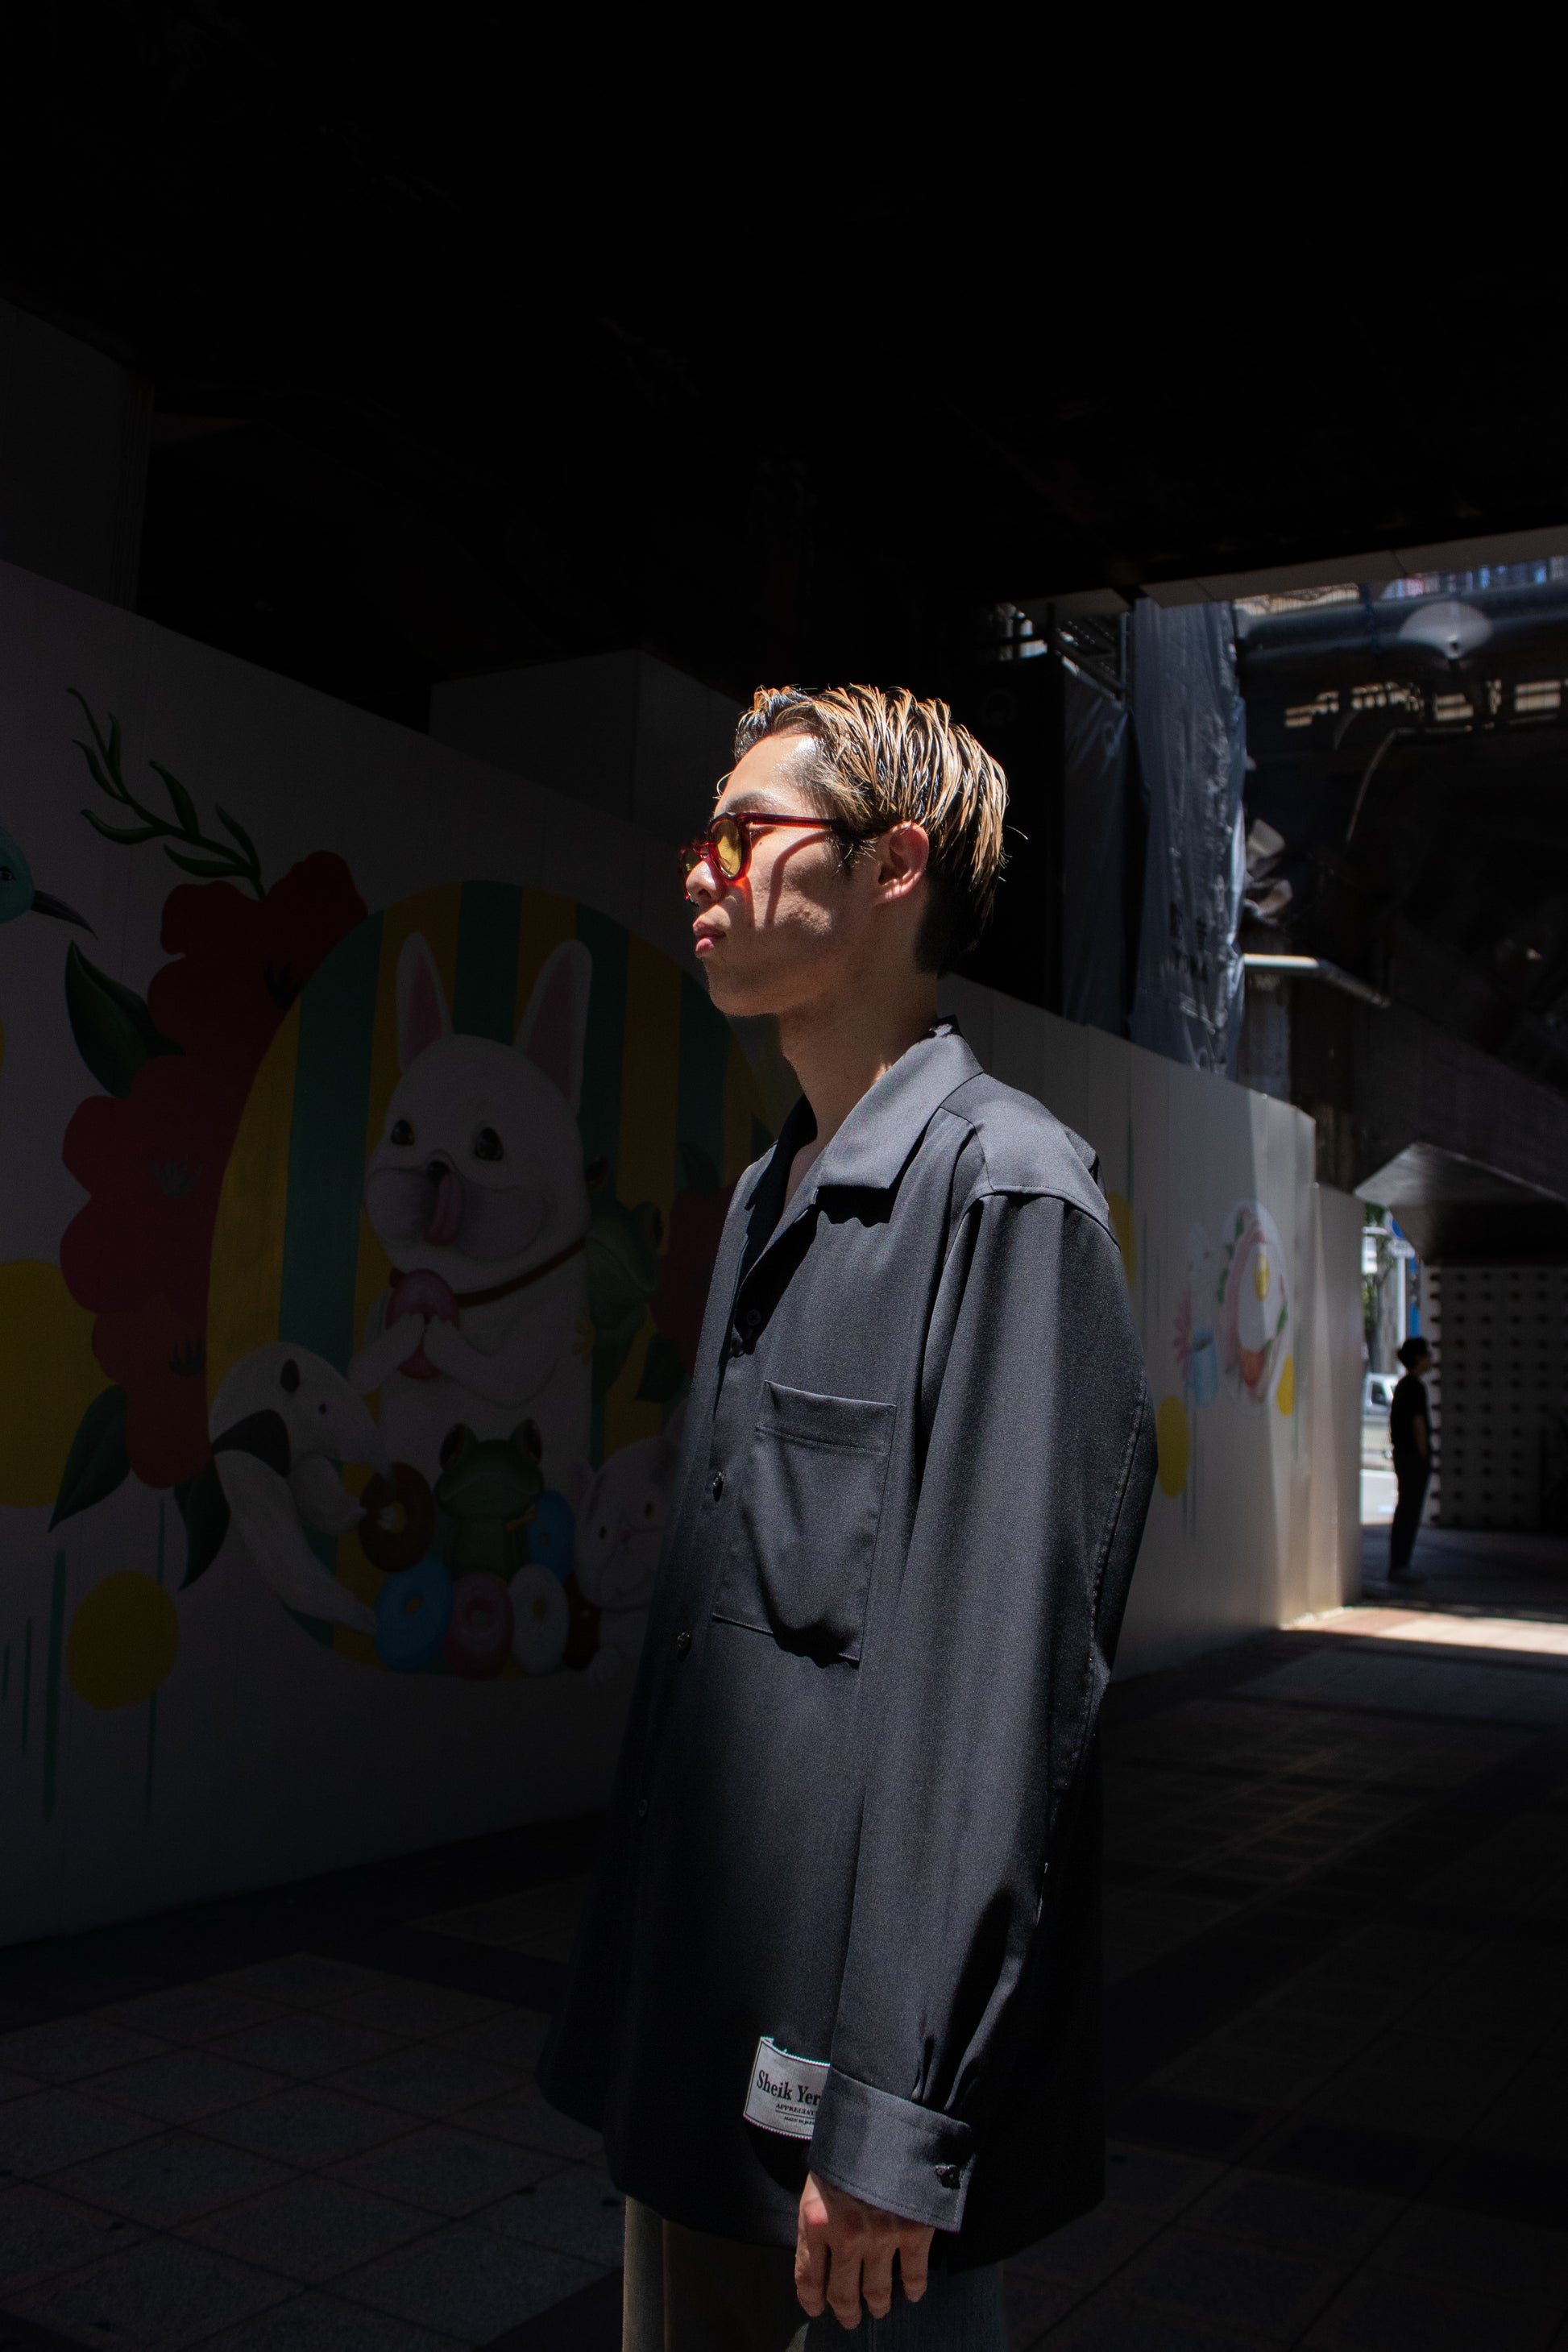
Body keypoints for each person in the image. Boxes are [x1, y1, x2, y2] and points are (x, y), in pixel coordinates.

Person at [541, 685, 1156, 2348]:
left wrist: (895, 2112)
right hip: (698, 2040)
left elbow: (998, 1703)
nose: (703, 866)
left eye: (747, 830)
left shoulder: (1007, 1194)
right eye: (705, 834)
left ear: (894, 865)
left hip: (842, 2125)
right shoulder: (772, 1190)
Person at [1388, 1335, 1433, 1580]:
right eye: (1428, 1354)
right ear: (1419, 1358)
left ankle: (1398, 1562)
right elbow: (1418, 1423)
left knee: (1405, 1507)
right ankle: (1400, 1564)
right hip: (1413, 1457)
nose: (1431, 1359)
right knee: (1410, 1509)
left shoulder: (1403, 1385)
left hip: (1402, 1454)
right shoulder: (1415, 1387)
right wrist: (1423, 1453)